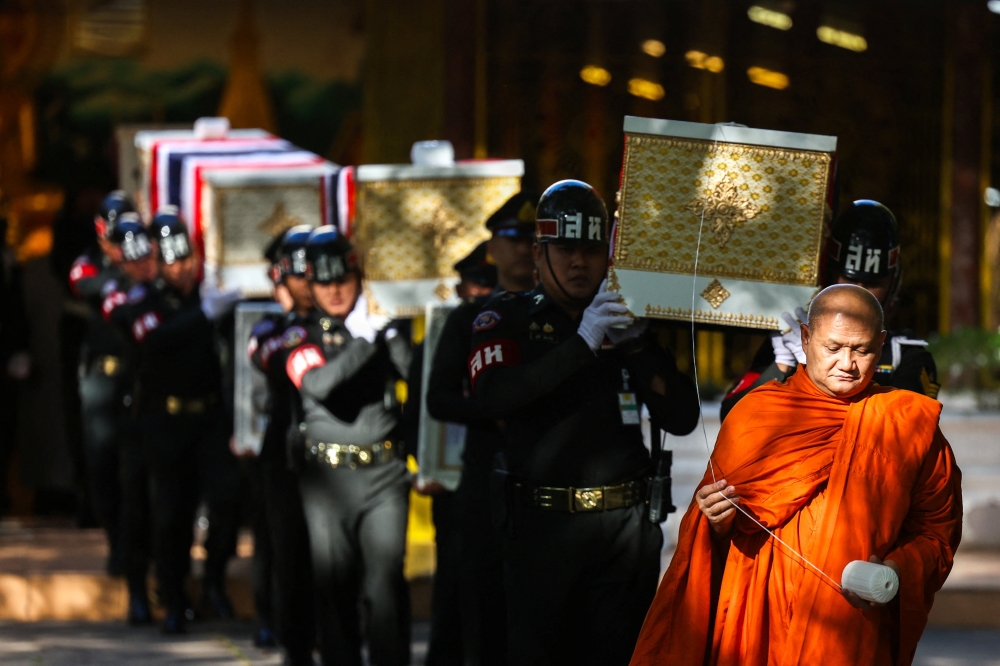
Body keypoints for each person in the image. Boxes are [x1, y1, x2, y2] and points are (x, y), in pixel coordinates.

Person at [631, 284, 963, 666]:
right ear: (806, 338)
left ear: (882, 343)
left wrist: (896, 570)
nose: (847, 364)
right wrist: (715, 521)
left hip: (849, 628)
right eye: (833, 347)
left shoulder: (906, 423)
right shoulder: (757, 415)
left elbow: (938, 529)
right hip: (756, 621)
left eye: (862, 350)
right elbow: (714, 534)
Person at [468, 180, 700, 665]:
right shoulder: (505, 317)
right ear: (538, 252)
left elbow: (682, 417)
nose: (579, 262)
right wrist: (583, 340)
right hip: (543, 530)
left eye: (592, 250)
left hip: (625, 531)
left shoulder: (628, 319)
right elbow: (493, 398)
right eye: (565, 249)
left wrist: (637, 345)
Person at [105, 210, 241, 633]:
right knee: (169, 515)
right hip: (163, 420)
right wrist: (204, 314)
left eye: (187, 259)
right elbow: (155, 337)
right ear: (158, 263)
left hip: (210, 417)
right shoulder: (145, 299)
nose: (181, 269)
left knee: (227, 500)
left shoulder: (206, 292)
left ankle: (213, 580)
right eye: (172, 261)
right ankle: (173, 598)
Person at [284, 225, 412, 666]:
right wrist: (365, 338)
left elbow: (415, 377)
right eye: (325, 280)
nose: (336, 289)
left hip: (383, 475)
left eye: (344, 278)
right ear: (310, 284)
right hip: (327, 482)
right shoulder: (298, 333)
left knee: (385, 588)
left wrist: (392, 332)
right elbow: (319, 384)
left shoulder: (382, 324)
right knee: (335, 592)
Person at [423, 192, 538, 666]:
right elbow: (437, 398)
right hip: (484, 477)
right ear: (492, 246)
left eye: (535, 237)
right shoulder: (471, 318)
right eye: (514, 237)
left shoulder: (558, 314)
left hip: (541, 478)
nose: (526, 248)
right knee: (482, 612)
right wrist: (491, 411)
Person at [720, 200, 939, 421]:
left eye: (872, 282)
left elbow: (904, 429)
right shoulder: (794, 339)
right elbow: (730, 419)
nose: (858, 292)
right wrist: (781, 368)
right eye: (850, 279)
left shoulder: (908, 354)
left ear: (893, 284)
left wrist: (812, 375)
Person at [247, 225, 317, 666]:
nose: (310, 282)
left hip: (336, 453)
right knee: (284, 548)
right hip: (284, 452)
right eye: (298, 273)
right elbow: (269, 354)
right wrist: (300, 325)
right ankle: (287, 634)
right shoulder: (275, 326)